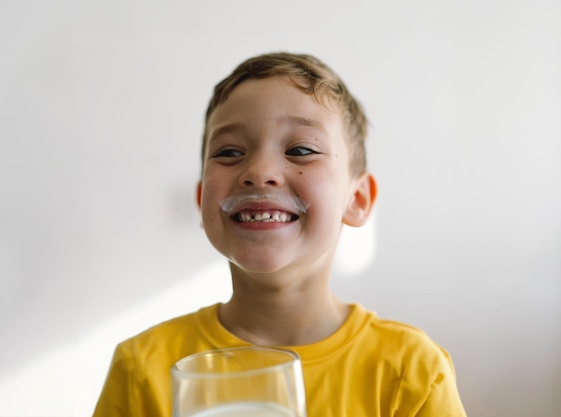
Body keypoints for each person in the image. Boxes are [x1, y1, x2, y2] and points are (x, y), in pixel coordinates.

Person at [93, 52, 467, 416]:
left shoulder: (410, 371)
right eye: (228, 152)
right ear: (201, 198)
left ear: (357, 199)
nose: (259, 170)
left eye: (301, 149)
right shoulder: (139, 368)